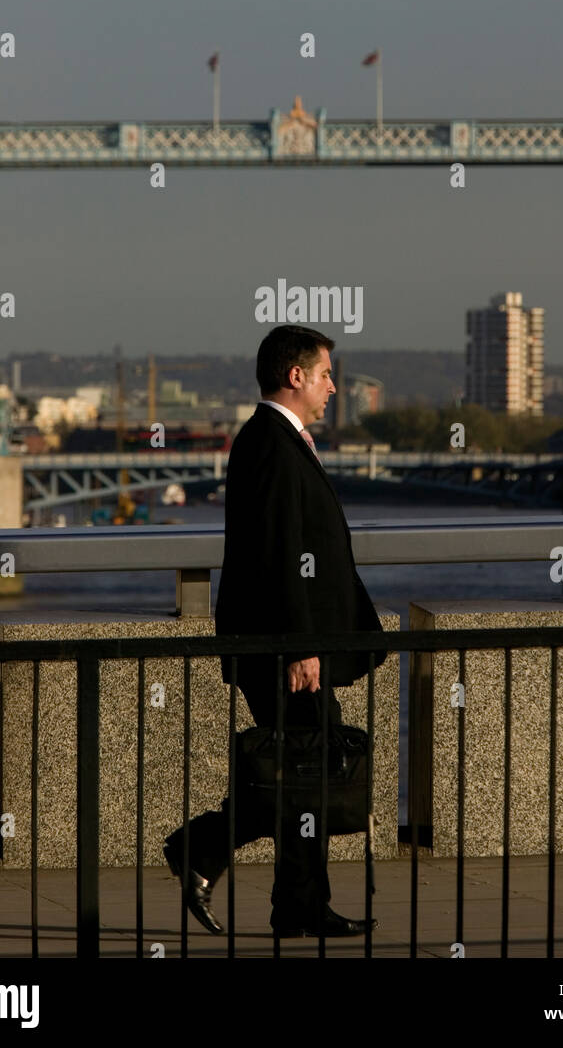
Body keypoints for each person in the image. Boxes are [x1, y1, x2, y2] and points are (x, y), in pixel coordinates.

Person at [164, 324, 386, 938]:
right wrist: (301, 645)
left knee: (302, 772)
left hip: (284, 644)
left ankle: (294, 901)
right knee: (301, 770)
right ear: (296, 377)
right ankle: (207, 848)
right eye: (324, 375)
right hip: (282, 648)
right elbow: (282, 553)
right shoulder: (270, 442)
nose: (333, 387)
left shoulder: (276, 441)